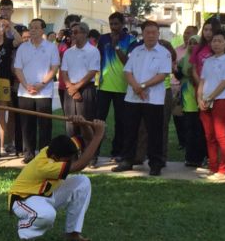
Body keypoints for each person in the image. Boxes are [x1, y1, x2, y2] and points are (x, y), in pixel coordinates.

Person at [8, 119, 105, 241]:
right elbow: (80, 165)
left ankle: (72, 233)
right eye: (67, 159)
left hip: (46, 193)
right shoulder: (45, 165)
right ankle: (24, 226)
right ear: (55, 157)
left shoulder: (56, 149)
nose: (70, 160)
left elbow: (87, 140)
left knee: (82, 182)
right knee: (47, 215)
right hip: (23, 199)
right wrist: (98, 135)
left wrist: (84, 125)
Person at [114, 20, 172, 176]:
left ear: (159, 34)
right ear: (143, 34)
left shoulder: (164, 53)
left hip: (154, 99)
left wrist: (143, 86)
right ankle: (127, 160)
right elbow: (127, 71)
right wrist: (137, 87)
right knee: (130, 130)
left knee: (154, 133)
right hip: (133, 97)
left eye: (154, 32)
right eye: (148, 32)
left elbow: (162, 74)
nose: (151, 35)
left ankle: (155, 163)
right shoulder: (136, 51)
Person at [13, 18, 60, 164]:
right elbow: (17, 68)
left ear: (42, 30)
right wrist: (26, 85)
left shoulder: (51, 47)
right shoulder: (23, 48)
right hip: (25, 91)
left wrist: (42, 84)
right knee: (27, 124)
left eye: (36, 28)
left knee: (45, 125)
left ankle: (44, 154)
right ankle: (28, 153)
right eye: (30, 27)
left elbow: (54, 68)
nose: (32, 30)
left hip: (43, 92)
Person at [95, 12, 136, 163]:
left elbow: (128, 63)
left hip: (123, 87)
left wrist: (117, 47)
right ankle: (94, 153)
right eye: (111, 24)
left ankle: (117, 152)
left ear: (122, 24)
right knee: (99, 121)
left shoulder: (131, 40)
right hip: (104, 87)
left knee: (121, 122)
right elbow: (98, 59)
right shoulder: (103, 39)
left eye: (116, 24)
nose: (113, 27)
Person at [196, 28, 225, 181]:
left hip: (220, 101)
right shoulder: (208, 61)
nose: (216, 44)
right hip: (206, 101)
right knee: (209, 136)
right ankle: (213, 166)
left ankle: (224, 169)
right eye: (214, 41)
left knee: (221, 136)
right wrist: (200, 98)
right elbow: (202, 81)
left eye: (220, 41)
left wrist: (211, 97)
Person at [60, 22, 99, 141]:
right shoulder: (68, 52)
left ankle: (89, 153)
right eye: (72, 32)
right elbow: (64, 72)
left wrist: (76, 87)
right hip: (70, 89)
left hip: (86, 88)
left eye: (76, 32)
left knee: (86, 121)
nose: (73, 35)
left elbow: (92, 72)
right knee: (70, 121)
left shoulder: (93, 51)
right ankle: (73, 153)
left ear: (85, 34)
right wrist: (71, 88)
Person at [177, 35, 206, 167]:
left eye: (196, 43)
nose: (193, 46)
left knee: (200, 128)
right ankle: (190, 157)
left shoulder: (203, 59)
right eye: (191, 43)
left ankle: (200, 156)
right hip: (187, 95)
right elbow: (179, 75)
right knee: (189, 127)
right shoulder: (184, 59)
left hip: (200, 95)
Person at [0, 16, 18, 157]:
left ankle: (2, 145)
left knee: (2, 113)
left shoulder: (8, 42)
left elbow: (19, 40)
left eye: (2, 25)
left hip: (4, 80)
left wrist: (11, 27)